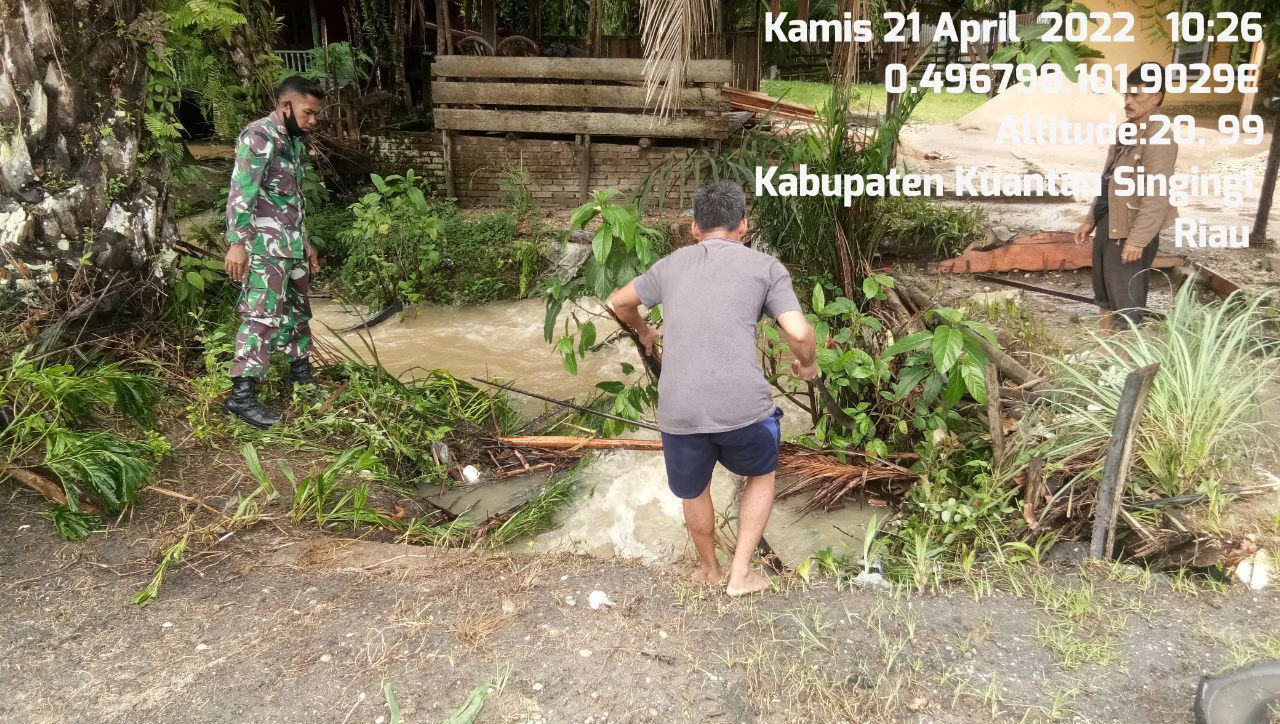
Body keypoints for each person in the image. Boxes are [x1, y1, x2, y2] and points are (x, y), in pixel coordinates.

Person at [607, 181, 818, 596]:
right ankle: (741, 573)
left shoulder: (669, 266)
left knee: (694, 488)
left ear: (694, 228)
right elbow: (798, 331)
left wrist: (645, 330)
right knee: (761, 473)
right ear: (744, 224)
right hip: (743, 407)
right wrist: (807, 364)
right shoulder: (767, 268)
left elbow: (619, 302)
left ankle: (710, 571)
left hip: (678, 410)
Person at [223, 76, 325, 428]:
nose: (313, 120)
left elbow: (291, 199)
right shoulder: (258, 135)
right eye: (308, 112)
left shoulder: (294, 142)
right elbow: (242, 191)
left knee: (298, 313)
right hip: (265, 248)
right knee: (260, 317)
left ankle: (300, 377)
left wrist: (306, 242)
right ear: (286, 106)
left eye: (316, 114)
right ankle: (241, 396)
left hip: (292, 245)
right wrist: (237, 243)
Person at [1074, 62, 1178, 330]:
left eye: (1136, 96)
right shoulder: (1127, 130)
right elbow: (1108, 178)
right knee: (1105, 288)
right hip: (1111, 220)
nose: (1128, 102)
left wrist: (1138, 240)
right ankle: (1103, 345)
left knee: (1126, 297)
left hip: (1131, 227)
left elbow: (1157, 196)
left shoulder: (1159, 137)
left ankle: (1126, 355)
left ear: (1156, 98)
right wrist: (1091, 219)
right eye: (1126, 95)